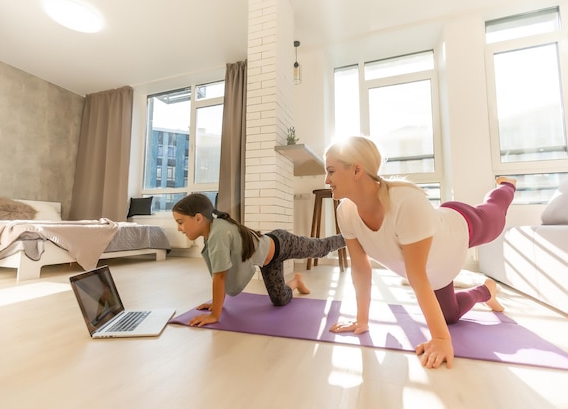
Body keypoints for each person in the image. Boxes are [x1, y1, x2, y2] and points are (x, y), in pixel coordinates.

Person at [324, 136, 515, 369]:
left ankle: (506, 186)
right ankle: (487, 290)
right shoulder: (346, 212)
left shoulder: (405, 203)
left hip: (459, 230)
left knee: (496, 216)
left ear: (356, 170)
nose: (327, 180)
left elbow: (416, 275)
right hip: (435, 270)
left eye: (331, 171)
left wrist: (441, 339)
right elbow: (360, 267)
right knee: (449, 316)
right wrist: (362, 320)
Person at [172, 193, 346, 327]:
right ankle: (297, 281)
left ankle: (349, 236)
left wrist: (215, 314)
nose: (179, 228)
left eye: (180, 222)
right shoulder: (212, 234)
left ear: (198, 218)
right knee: (280, 300)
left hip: (282, 243)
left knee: (321, 249)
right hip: (268, 260)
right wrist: (217, 304)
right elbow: (223, 272)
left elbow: (220, 277)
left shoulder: (218, 233)